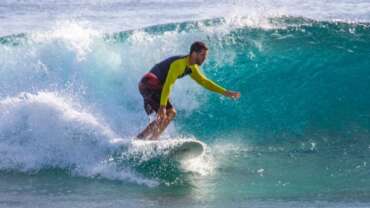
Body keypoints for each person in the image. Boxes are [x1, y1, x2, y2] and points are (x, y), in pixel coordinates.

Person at [137, 41, 240, 140]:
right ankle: (153, 139)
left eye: (205, 55)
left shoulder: (192, 68)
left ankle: (140, 138)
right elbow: (168, 85)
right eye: (202, 55)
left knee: (163, 117)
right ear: (194, 53)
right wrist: (163, 106)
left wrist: (225, 92)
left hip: (145, 85)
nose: (204, 58)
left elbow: (205, 82)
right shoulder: (179, 64)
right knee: (171, 112)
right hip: (151, 82)